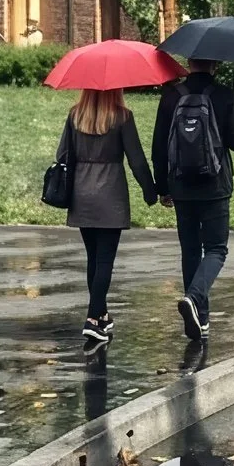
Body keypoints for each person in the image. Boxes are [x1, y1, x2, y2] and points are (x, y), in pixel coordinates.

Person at [152, 58, 234, 343]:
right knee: (217, 249)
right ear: (216, 63)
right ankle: (194, 299)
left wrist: (162, 186)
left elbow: (159, 146)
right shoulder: (225, 95)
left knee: (190, 250)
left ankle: (200, 318)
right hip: (215, 186)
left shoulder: (171, 96)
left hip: (181, 186)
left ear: (189, 62)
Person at [59, 88, 157, 346]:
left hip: (82, 194)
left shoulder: (75, 116)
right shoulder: (122, 117)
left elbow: (63, 156)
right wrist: (150, 191)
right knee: (105, 260)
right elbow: (136, 160)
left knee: (93, 258)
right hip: (110, 193)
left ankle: (101, 314)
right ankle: (92, 319)